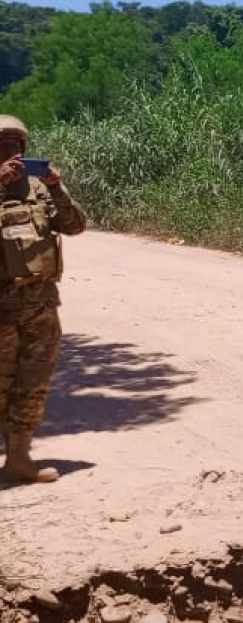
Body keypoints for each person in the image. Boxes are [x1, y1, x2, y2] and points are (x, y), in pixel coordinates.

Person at [0, 114, 86, 484]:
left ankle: (19, 457)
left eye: (16, 147)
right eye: (2, 147)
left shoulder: (37, 190)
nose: (10, 154)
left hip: (39, 305)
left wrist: (56, 187)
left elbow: (75, 225)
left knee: (33, 383)